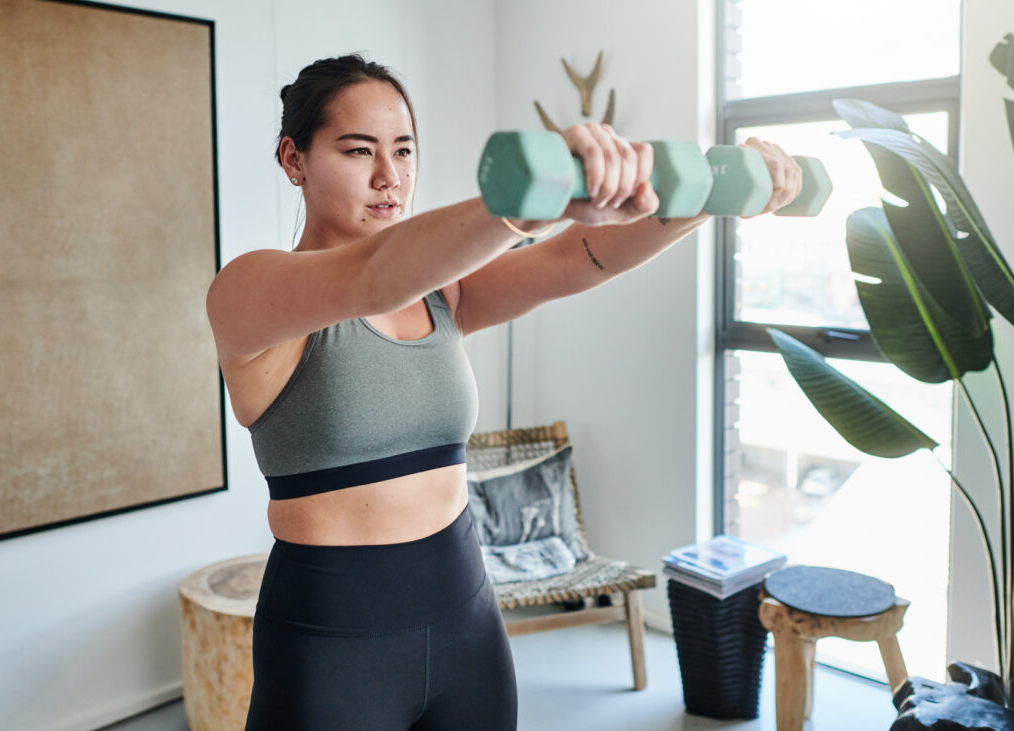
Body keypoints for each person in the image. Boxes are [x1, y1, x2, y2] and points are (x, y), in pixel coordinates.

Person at [205, 53, 802, 731]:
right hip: (333, 645)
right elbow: (372, 276)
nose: (389, 177)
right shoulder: (250, 293)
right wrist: (529, 202)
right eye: (357, 150)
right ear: (294, 159)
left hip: (466, 620)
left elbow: (577, 259)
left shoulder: (442, 291)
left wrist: (717, 194)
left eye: (403, 150)